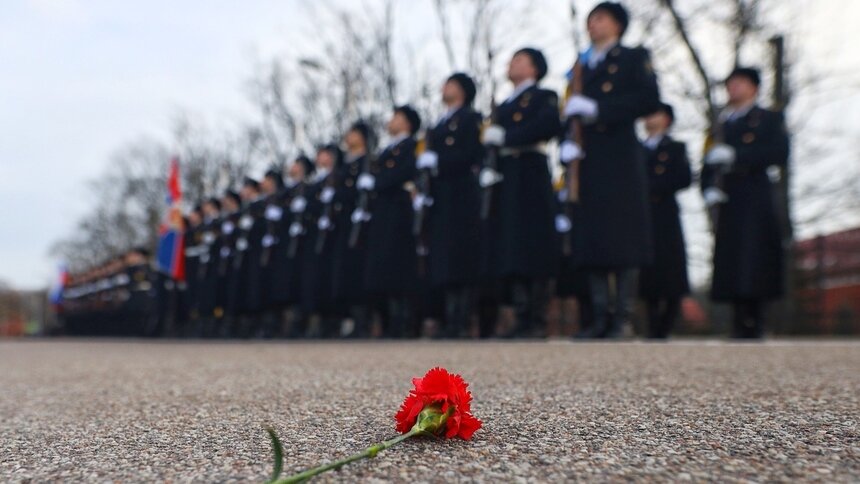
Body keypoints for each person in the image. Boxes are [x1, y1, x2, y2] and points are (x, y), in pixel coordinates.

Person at [561, 1, 660, 339]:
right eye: (589, 20)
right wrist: (567, 141)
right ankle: (599, 316)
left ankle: (622, 317)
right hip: (588, 159)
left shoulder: (633, 57)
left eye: (599, 18)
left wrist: (600, 109)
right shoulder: (581, 67)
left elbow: (648, 100)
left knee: (623, 237)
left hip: (619, 157)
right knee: (592, 238)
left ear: (617, 24)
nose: (593, 25)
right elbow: (570, 113)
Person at [701, 66, 790, 339]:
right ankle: (738, 319)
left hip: (755, 193)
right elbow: (707, 160)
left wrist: (737, 155)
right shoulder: (720, 125)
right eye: (730, 84)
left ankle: (757, 320)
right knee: (731, 258)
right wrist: (707, 189)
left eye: (739, 83)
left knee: (756, 255)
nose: (733, 88)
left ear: (754, 87)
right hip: (728, 196)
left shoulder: (769, 119)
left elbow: (778, 152)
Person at [482, 47, 561, 338]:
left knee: (534, 243)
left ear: (534, 68)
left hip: (531, 170)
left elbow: (548, 125)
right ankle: (521, 314)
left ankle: (537, 318)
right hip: (508, 176)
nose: (511, 64)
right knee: (512, 245)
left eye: (519, 60)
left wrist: (508, 138)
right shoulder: (503, 106)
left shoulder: (543, 96)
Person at [417, 73, 483, 338]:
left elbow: (471, 154)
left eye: (451, 84)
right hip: (441, 196)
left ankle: (462, 319)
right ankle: (448, 317)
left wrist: (440, 161)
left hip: (462, 194)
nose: (445, 88)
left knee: (460, 257)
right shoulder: (438, 124)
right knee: (443, 259)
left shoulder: (469, 118)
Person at [359, 105, 421, 338]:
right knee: (382, 264)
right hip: (383, 210)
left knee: (399, 263)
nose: (391, 121)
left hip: (399, 207)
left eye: (396, 117)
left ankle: (403, 321)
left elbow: (405, 172)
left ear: (407, 123)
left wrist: (376, 182)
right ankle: (388, 321)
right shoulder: (386, 150)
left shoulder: (411, 145)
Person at [638, 103, 692, 339]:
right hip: (641, 213)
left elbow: (683, 177)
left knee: (669, 265)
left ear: (667, 119)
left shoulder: (675, 148)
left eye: (655, 113)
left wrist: (649, 187)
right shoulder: (637, 149)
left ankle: (667, 321)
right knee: (646, 267)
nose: (649, 117)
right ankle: (650, 322)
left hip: (665, 211)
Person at [331, 122, 375, 337]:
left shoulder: (369, 161)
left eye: (353, 133)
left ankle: (362, 320)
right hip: (346, 221)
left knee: (359, 268)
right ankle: (349, 317)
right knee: (345, 270)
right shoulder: (345, 164)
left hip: (364, 222)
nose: (348, 137)